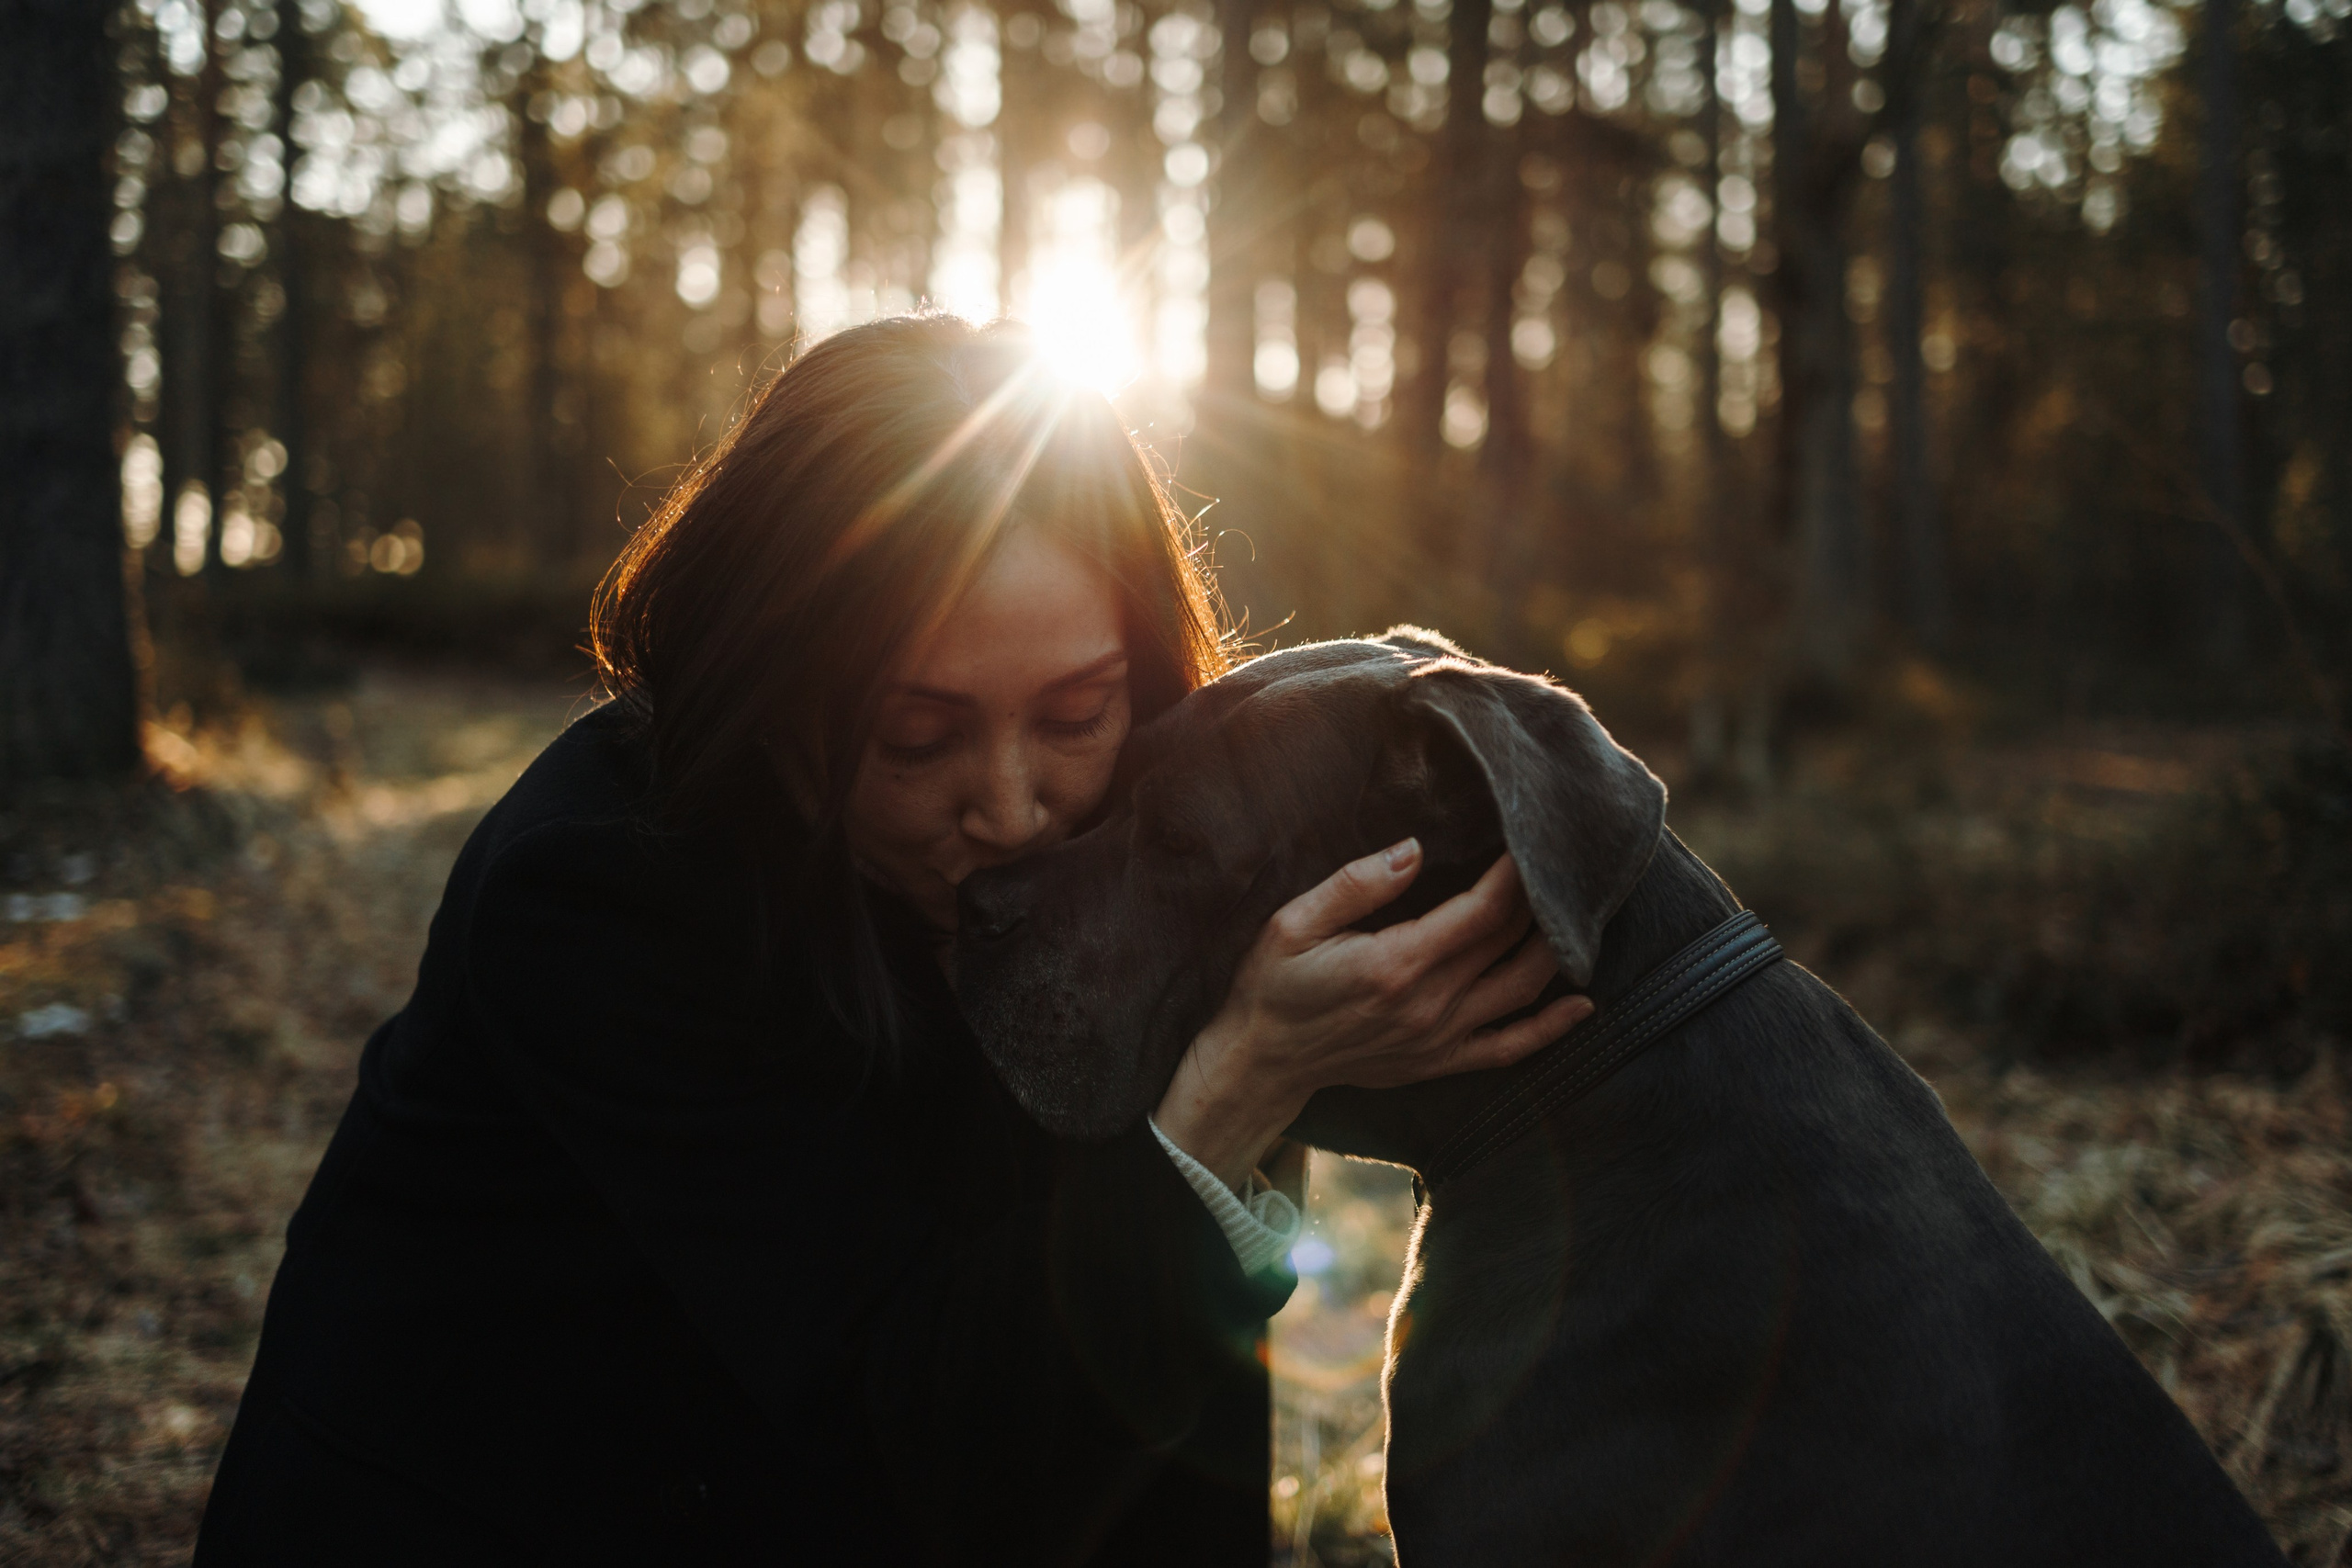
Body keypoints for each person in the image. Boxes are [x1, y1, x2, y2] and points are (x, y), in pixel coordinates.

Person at [193, 315, 1588, 1565]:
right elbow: (919, 1455)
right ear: (775, 690)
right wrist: (1224, 1100)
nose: (1014, 805)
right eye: (915, 737)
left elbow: (1168, 1430)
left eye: (1076, 712)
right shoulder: (603, 892)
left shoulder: (1163, 860)